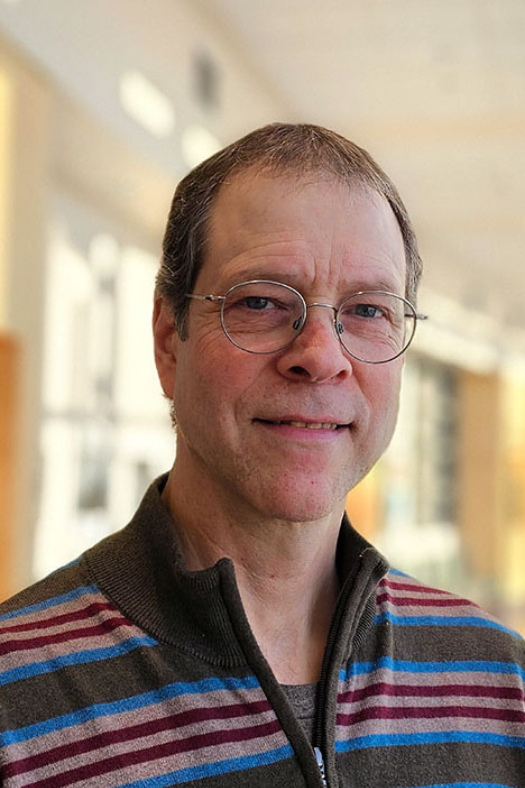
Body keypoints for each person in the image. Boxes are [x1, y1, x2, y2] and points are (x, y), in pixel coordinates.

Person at [0, 123, 523, 788]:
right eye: (261, 302)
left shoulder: (499, 685)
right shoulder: (16, 706)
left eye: (366, 310)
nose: (322, 356)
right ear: (169, 341)